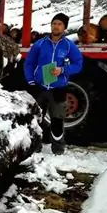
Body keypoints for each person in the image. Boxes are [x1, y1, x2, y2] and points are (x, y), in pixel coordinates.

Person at [22, 12, 83, 154]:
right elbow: (29, 62)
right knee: (35, 119)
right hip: (40, 87)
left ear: (64, 28)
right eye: (54, 23)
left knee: (57, 120)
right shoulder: (40, 44)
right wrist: (30, 79)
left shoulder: (68, 46)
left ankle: (58, 149)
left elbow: (78, 64)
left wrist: (62, 70)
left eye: (59, 24)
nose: (56, 26)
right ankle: (34, 148)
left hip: (59, 88)